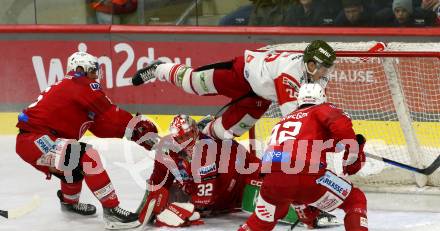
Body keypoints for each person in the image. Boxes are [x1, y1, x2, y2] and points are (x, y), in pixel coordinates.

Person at [209, 83, 379, 231]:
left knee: (261, 220)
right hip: (306, 175)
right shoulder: (322, 109)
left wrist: (352, 145)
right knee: (354, 199)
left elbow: (324, 144)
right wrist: (354, 148)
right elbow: (340, 128)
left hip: (273, 180)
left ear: (299, 101)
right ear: (321, 98)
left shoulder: (283, 121)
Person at [15, 51, 158, 230]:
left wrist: (132, 134)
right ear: (80, 69)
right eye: (92, 71)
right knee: (87, 156)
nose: (95, 76)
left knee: (72, 162)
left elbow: (101, 126)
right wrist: (135, 125)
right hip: (37, 140)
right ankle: (112, 212)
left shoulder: (72, 89)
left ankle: (69, 203)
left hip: (31, 142)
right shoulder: (79, 83)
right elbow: (110, 114)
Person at [137, 114, 339, 228]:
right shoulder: (167, 150)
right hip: (223, 195)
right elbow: (157, 181)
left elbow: (207, 200)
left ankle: (312, 205)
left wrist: (185, 207)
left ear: (197, 132)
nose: (186, 142)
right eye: (181, 138)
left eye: (190, 135)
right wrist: (154, 204)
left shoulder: (210, 149)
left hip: (240, 177)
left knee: (272, 181)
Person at [131, 40, 336, 141]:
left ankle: (203, 132)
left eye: (326, 67)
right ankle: (158, 69)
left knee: (226, 132)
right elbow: (294, 118)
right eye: (318, 66)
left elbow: (315, 108)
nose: (322, 72)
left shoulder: (319, 74)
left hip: (259, 97)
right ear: (308, 62)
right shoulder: (289, 75)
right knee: (192, 83)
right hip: (239, 74)